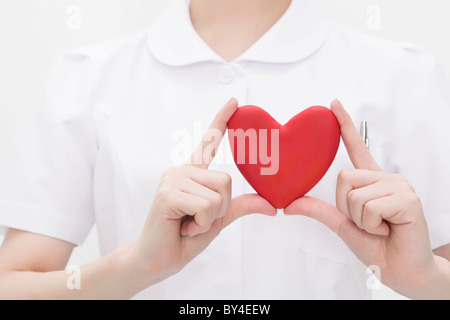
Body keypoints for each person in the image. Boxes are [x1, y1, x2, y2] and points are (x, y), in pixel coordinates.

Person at [0, 0, 449, 299]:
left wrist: (425, 280)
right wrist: (132, 269)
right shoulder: (87, 78)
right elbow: (12, 284)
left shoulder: (402, 74)